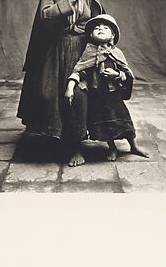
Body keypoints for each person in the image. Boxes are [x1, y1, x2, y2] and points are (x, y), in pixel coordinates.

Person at [17, 0, 107, 163]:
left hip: (80, 50)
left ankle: (76, 146)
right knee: (49, 95)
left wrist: (100, 54)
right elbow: (46, 16)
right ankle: (53, 139)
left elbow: (99, 24)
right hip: (55, 49)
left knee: (78, 97)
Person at [64, 14, 149, 166]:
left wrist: (117, 75)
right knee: (105, 123)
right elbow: (79, 70)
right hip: (97, 96)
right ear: (91, 35)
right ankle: (112, 147)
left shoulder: (117, 53)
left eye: (105, 28)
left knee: (124, 120)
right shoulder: (88, 52)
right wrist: (70, 87)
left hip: (113, 95)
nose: (100, 29)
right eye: (97, 28)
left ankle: (133, 145)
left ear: (112, 35)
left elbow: (127, 74)